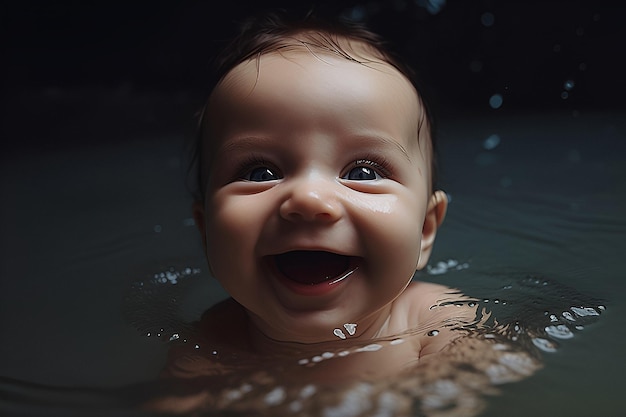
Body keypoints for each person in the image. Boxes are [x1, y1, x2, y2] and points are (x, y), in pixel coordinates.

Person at [141, 10, 600, 416]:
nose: (309, 200)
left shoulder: (440, 323)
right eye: (260, 171)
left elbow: (481, 382)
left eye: (363, 169)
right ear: (206, 233)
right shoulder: (211, 342)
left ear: (424, 230)